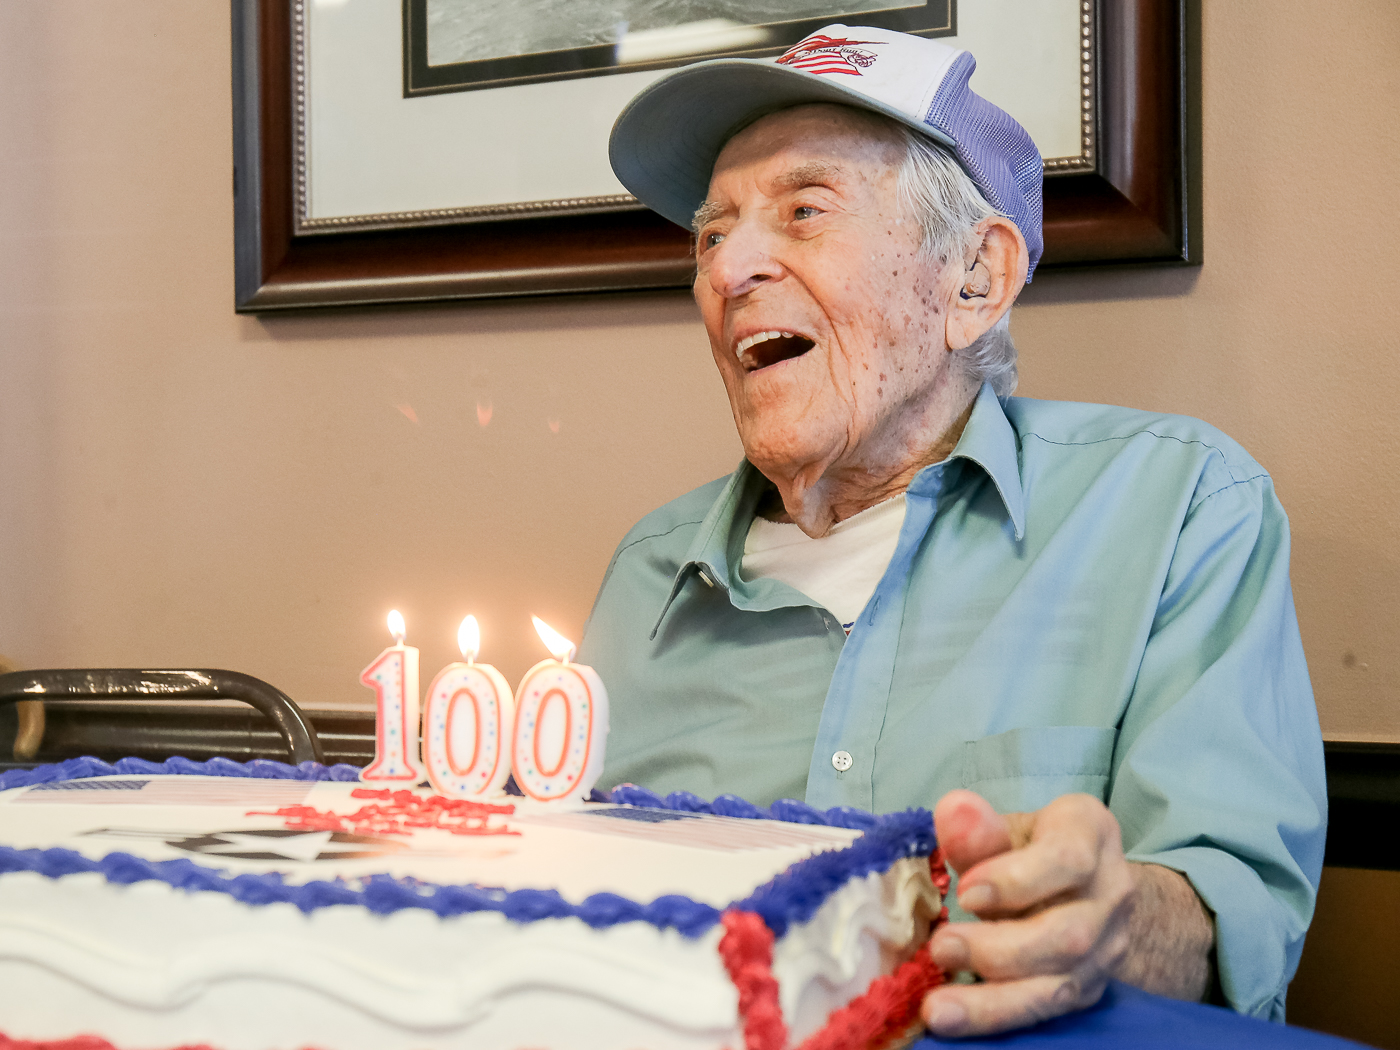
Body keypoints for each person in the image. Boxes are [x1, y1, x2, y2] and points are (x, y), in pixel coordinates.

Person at [578, 25, 1325, 1037]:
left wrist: (1110, 925)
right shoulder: (648, 573)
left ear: (974, 278)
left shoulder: (1177, 506)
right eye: (712, 236)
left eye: (803, 212)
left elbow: (1226, 922)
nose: (728, 270)